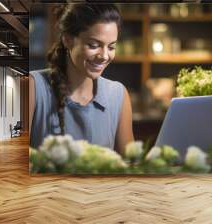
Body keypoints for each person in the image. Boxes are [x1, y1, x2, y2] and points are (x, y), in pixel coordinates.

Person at [29, 3, 134, 155]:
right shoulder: (33, 87)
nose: (104, 56)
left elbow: (131, 165)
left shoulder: (118, 95)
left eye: (111, 47)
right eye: (93, 45)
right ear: (68, 40)